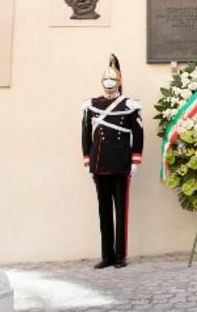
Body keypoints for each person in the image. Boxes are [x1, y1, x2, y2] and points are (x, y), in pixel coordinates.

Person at [81, 54, 143, 269]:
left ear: (118, 83)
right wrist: (88, 161)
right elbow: (85, 134)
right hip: (100, 162)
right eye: (105, 83)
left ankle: (120, 256)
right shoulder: (92, 105)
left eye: (112, 83)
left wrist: (135, 160)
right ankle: (107, 255)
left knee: (121, 211)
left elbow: (138, 134)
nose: (108, 87)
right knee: (104, 211)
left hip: (120, 163)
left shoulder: (130, 105)